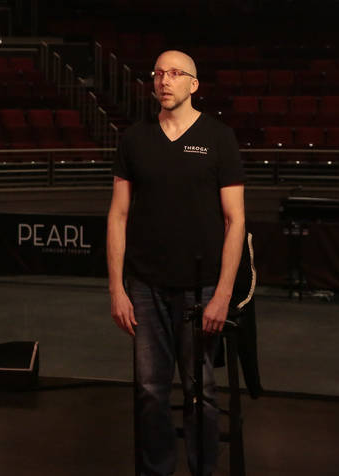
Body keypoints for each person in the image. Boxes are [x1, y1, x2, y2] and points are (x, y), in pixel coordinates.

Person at [107, 50, 246, 476]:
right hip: (145, 286)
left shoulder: (220, 138)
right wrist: (117, 288)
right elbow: (118, 215)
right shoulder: (134, 139)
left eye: (175, 74)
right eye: (158, 74)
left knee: (200, 391)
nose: (164, 80)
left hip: (200, 288)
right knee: (150, 391)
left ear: (194, 84)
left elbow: (235, 219)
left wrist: (223, 294)